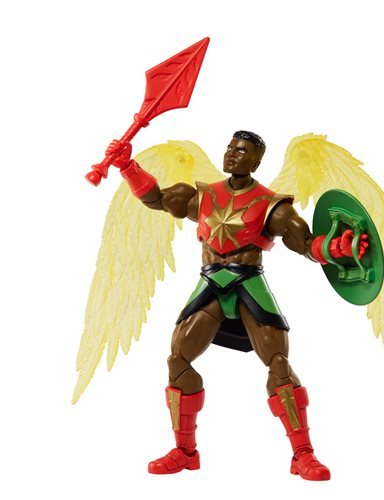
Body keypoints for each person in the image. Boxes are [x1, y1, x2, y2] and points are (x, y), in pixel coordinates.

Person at [107, 130, 368, 481]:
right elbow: (157, 199)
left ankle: (303, 454)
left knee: (278, 364)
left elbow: (305, 243)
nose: (232, 154)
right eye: (230, 147)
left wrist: (335, 248)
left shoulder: (273, 205)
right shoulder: (201, 196)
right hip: (211, 283)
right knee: (178, 359)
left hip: (248, 282)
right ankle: (185, 451)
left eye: (242, 151)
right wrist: (127, 166)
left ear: (256, 162)